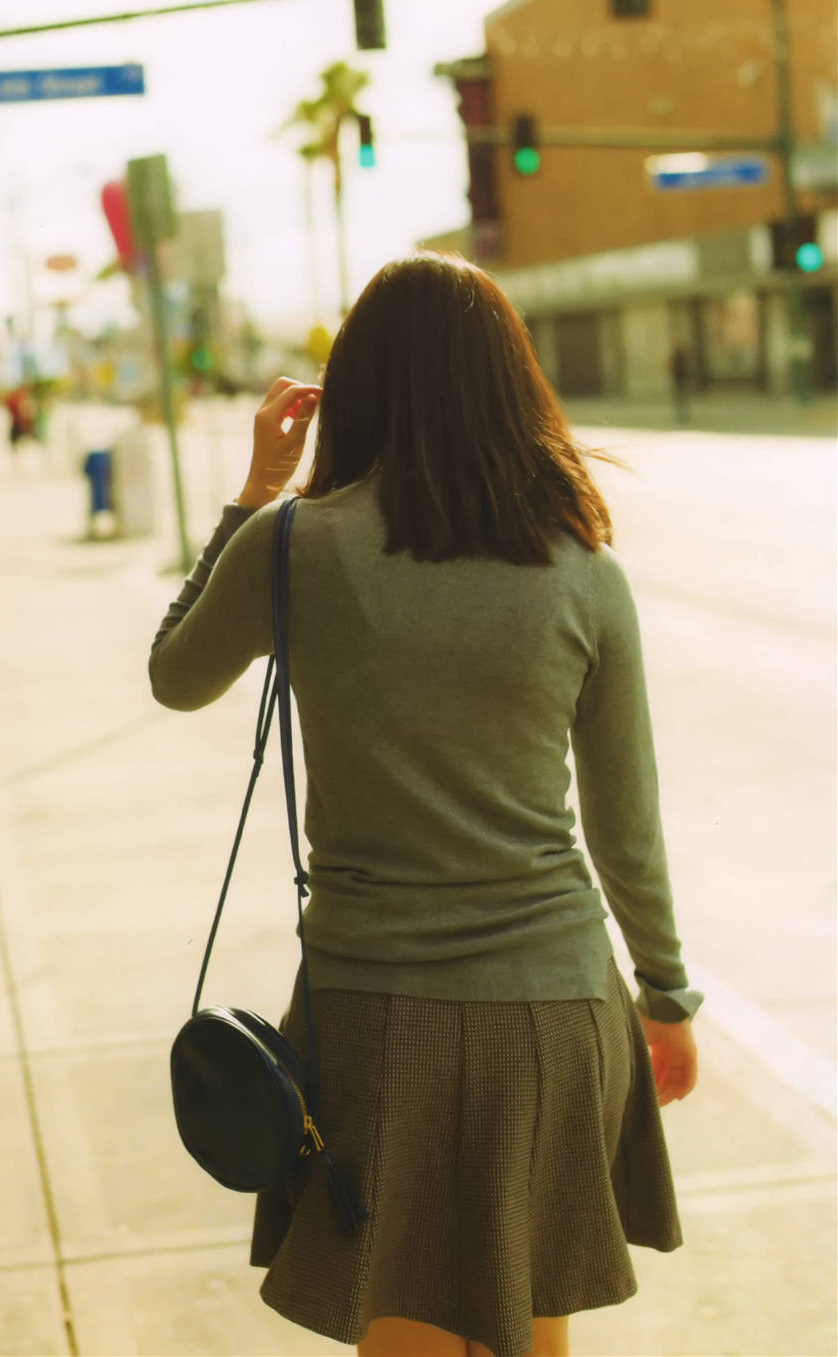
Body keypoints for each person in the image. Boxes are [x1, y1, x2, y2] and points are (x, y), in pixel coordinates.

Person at [149, 253, 701, 1357]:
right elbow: (625, 823)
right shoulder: (585, 567)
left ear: (356, 389)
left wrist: (257, 489)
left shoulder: (297, 544)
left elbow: (176, 673)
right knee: (529, 1313)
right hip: (555, 1006)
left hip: (375, 1009)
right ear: (512, 384)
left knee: (401, 1326)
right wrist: (667, 994)